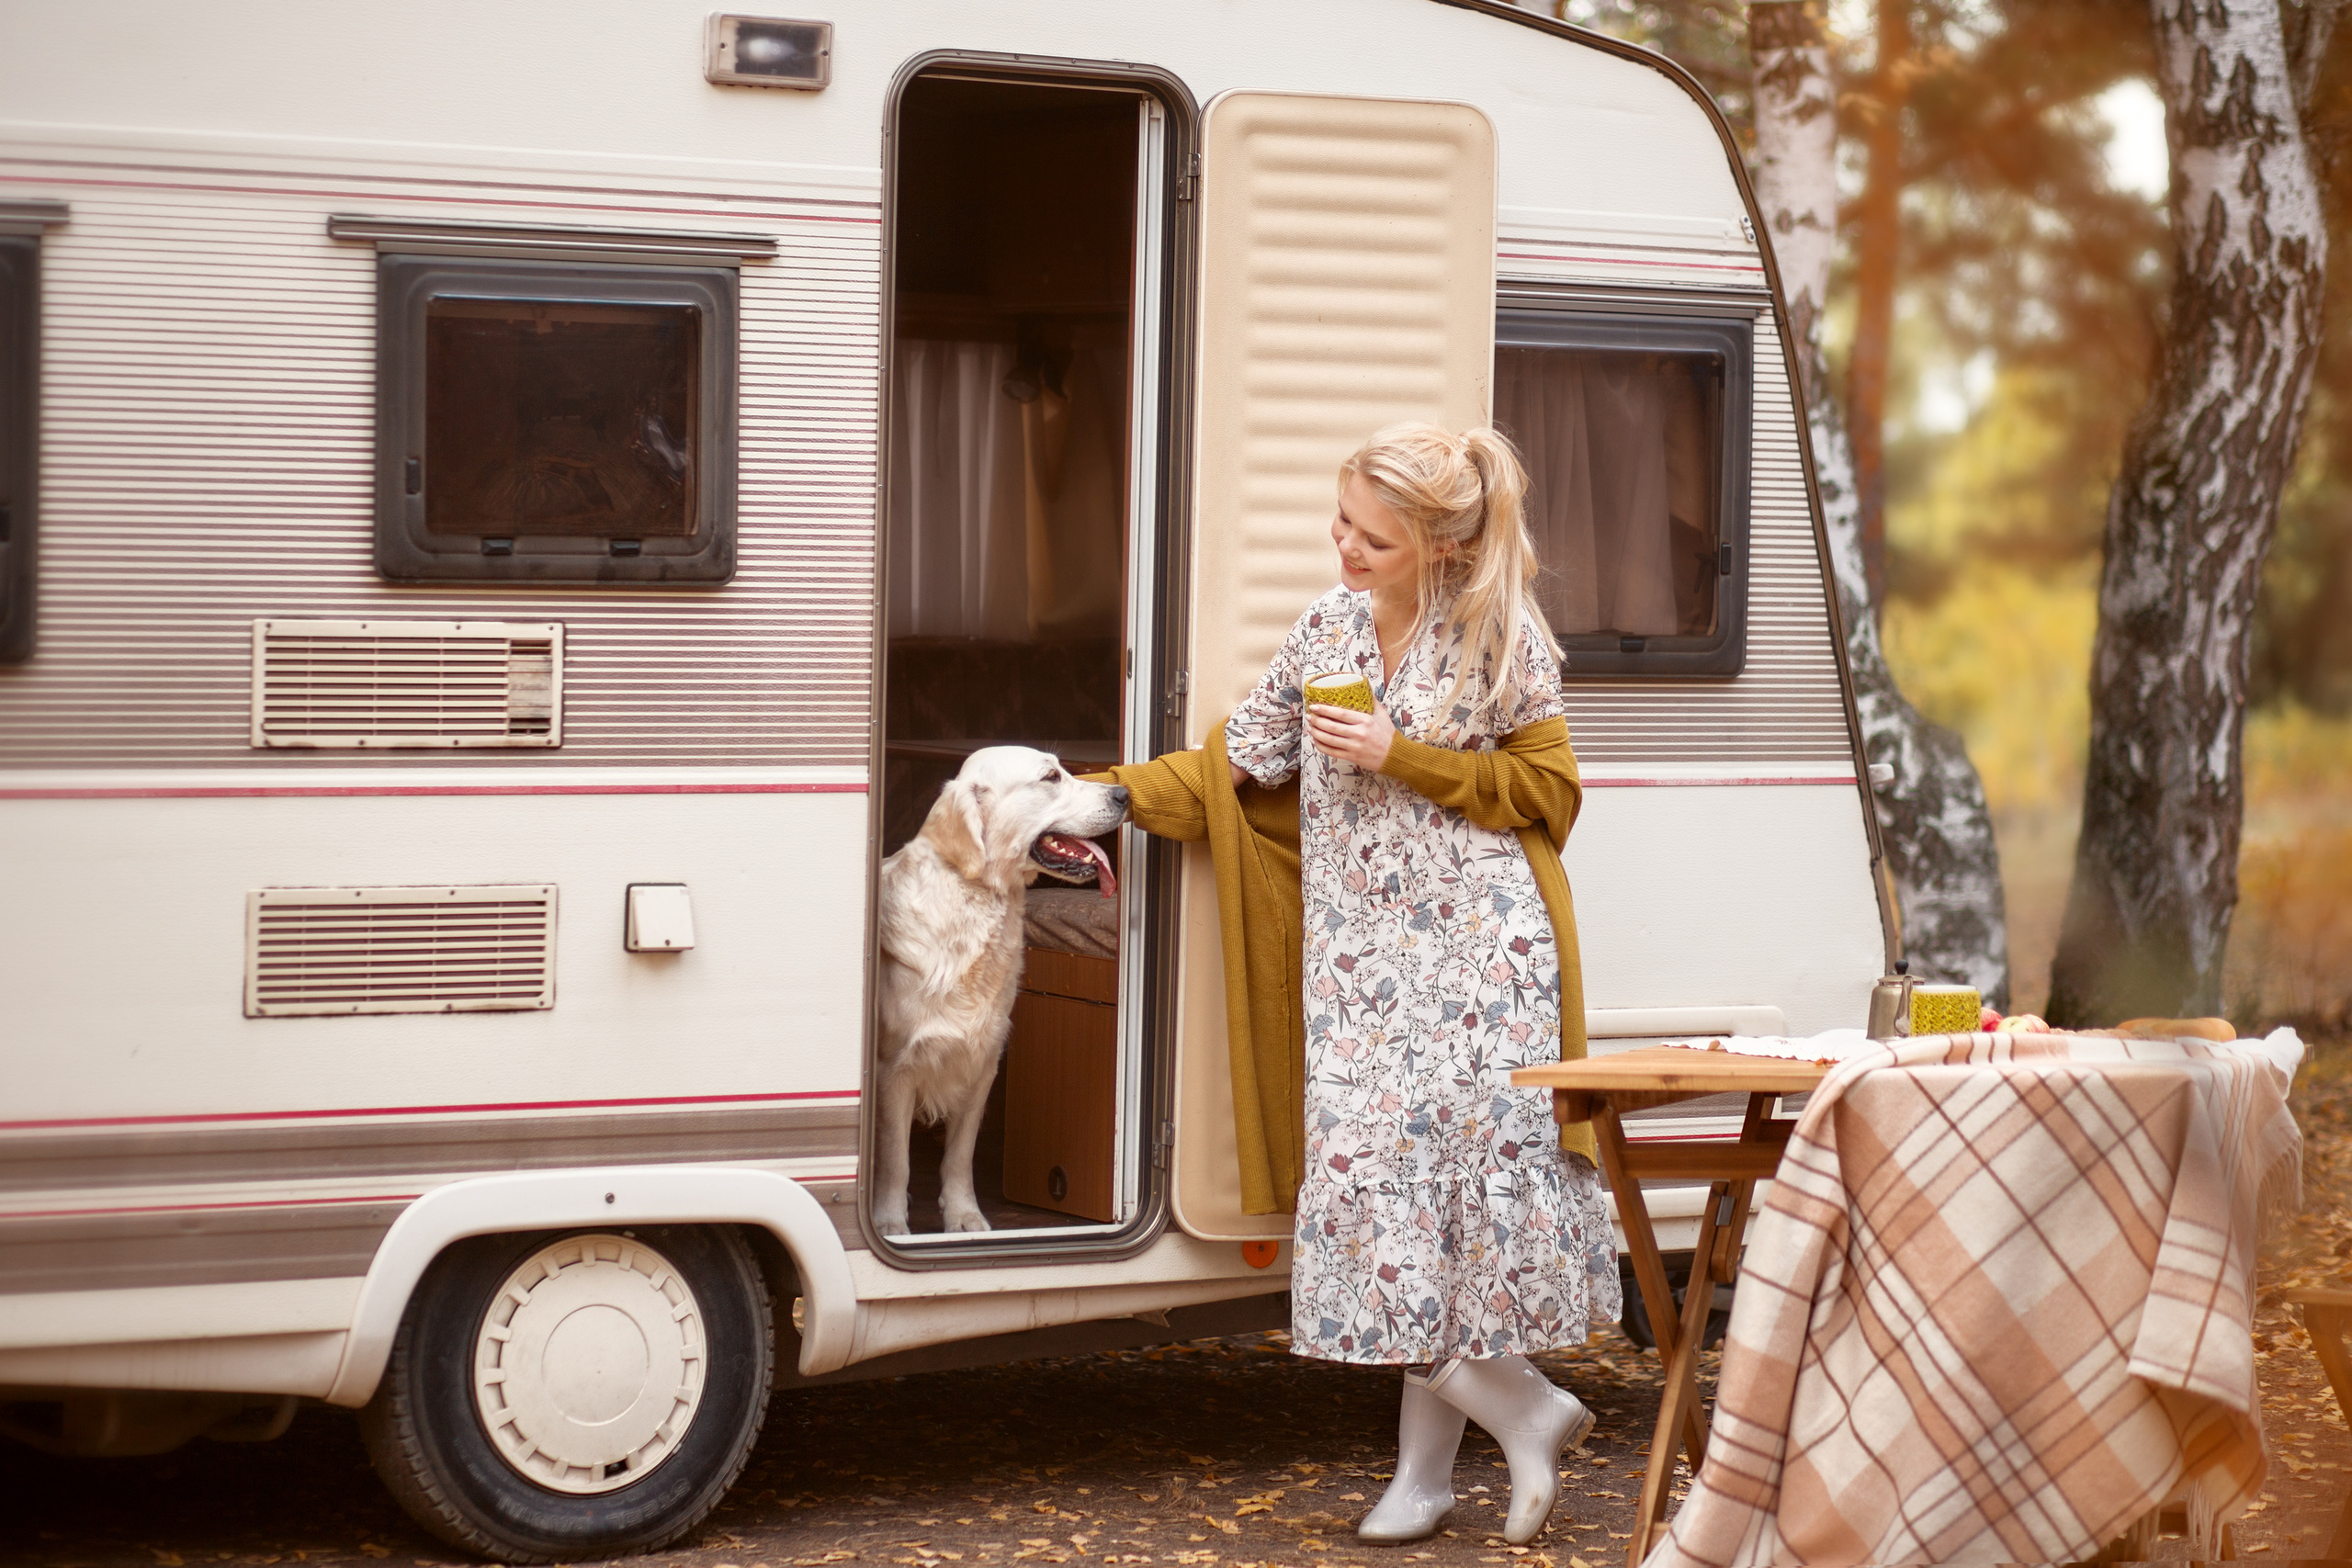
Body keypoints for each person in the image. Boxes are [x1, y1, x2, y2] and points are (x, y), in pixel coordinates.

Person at [1216, 423, 1620, 1545]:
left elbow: (1550, 795)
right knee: (1371, 1203)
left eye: (1373, 538)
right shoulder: (1324, 626)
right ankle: (1523, 1412)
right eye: (1341, 522)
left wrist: (1403, 754)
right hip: (1359, 969)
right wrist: (1101, 795)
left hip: (1484, 961)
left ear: (1440, 545)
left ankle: (1423, 1479)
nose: (1344, 546)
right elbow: (1241, 756)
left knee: (1453, 1214)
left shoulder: (1502, 638)